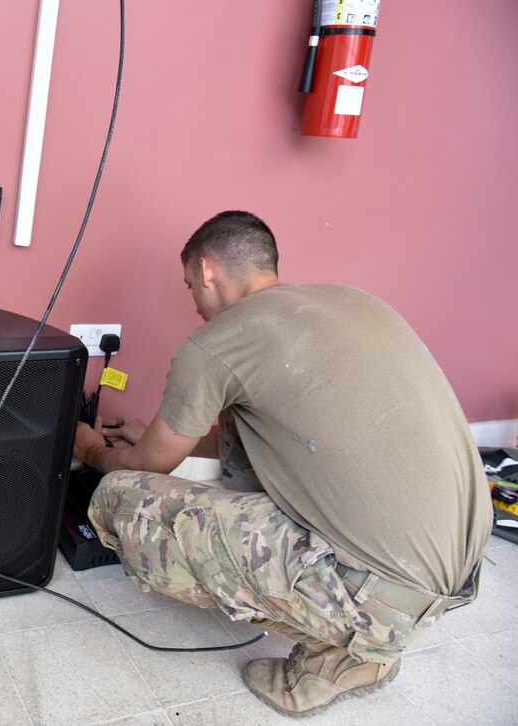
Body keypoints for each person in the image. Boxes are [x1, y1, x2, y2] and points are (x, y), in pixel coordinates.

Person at [72, 210, 492, 717]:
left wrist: (90, 448)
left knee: (119, 498)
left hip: (377, 599)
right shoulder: (351, 302)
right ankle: (358, 631)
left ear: (206, 271)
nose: (195, 303)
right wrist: (158, 436)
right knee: (242, 412)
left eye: (189, 286)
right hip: (456, 576)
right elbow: (276, 434)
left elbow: (145, 466)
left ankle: (339, 657)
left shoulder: (219, 340)